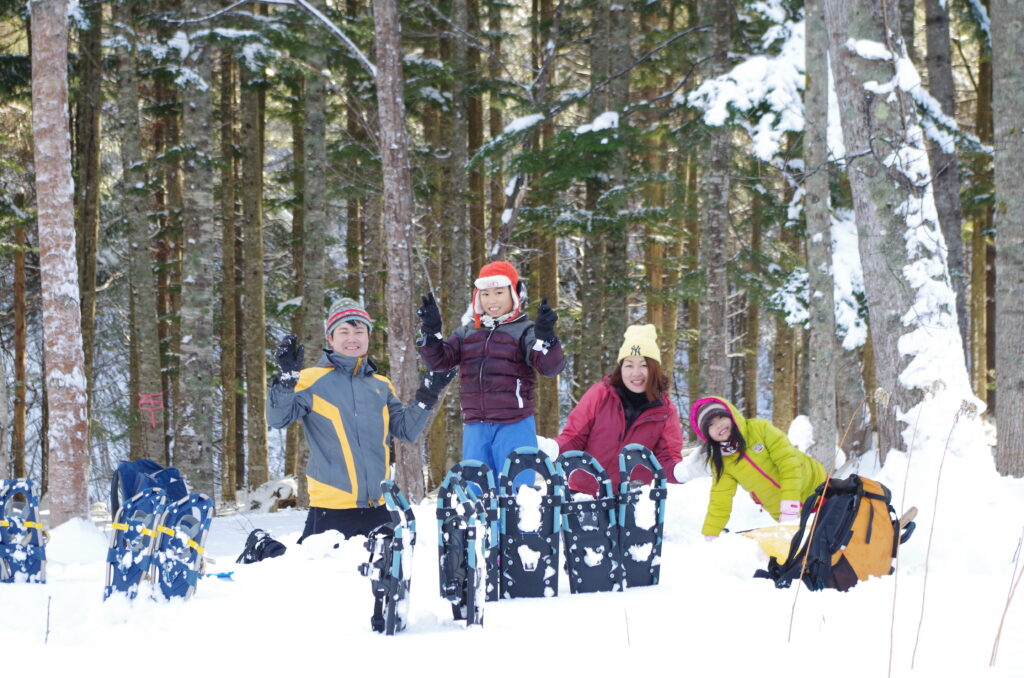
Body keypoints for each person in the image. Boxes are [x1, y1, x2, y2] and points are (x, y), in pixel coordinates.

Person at [267, 298, 454, 543]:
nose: (352, 338)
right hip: (331, 510)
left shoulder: (380, 384)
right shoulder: (310, 380)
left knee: (387, 578)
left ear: (368, 336)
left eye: (359, 331)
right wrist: (285, 382)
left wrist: (427, 395)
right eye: (344, 331)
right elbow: (278, 419)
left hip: (378, 508)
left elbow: (406, 430)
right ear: (330, 338)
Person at [417, 261, 565, 481]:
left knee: (516, 493)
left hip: (514, 423)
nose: (492, 300)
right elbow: (439, 361)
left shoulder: (525, 331)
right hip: (475, 425)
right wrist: (432, 334)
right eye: (485, 294)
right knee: (477, 492)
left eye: (498, 292)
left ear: (513, 294)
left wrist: (547, 339)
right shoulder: (468, 332)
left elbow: (550, 367)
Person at [554, 324, 688, 494]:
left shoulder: (665, 412)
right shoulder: (600, 395)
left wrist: (684, 471)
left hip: (630, 501)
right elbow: (574, 439)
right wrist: (552, 448)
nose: (635, 373)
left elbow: (666, 460)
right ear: (621, 367)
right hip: (584, 495)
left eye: (644, 365)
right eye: (629, 365)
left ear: (654, 369)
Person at [689, 396, 827, 539]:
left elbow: (788, 462)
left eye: (720, 417)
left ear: (731, 416)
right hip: (785, 514)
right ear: (707, 435)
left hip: (817, 489)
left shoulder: (759, 429)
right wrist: (711, 533)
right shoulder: (722, 461)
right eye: (711, 424)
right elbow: (720, 498)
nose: (718, 425)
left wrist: (790, 504)